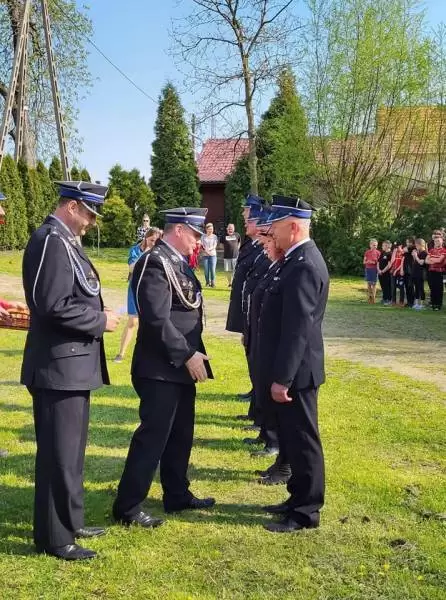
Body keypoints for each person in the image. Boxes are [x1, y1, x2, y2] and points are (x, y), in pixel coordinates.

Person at [20, 181, 120, 561]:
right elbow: (51, 305)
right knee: (57, 457)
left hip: (71, 366)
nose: (92, 222)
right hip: (57, 367)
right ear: (73, 207)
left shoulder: (64, 241)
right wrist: (100, 321)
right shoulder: (50, 240)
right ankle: (55, 537)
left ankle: (71, 520)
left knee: (72, 455)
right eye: (89, 213)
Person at [112, 207, 215, 528]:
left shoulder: (177, 262)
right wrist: (187, 354)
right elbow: (156, 318)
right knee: (152, 439)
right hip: (159, 368)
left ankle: (177, 494)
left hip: (178, 367)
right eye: (195, 234)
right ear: (179, 229)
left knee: (181, 435)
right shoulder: (154, 261)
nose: (198, 241)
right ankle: (128, 507)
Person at [256, 195, 329, 533]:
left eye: (277, 225)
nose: (272, 231)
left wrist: (282, 378)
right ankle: (296, 498)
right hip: (292, 369)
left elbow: (297, 329)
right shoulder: (295, 259)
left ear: (295, 226)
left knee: (303, 441)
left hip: (297, 373)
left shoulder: (304, 264)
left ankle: (305, 511)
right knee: (294, 438)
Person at [226, 195, 265, 402]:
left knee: (255, 349)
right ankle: (255, 387)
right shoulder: (251, 244)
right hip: (244, 304)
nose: (243, 215)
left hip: (253, 307)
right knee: (248, 346)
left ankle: (258, 389)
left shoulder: (263, 247)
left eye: (247, 213)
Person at [113, 227, 161, 363]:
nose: (153, 243)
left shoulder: (158, 251)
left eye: (156, 241)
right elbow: (131, 268)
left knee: (153, 322)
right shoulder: (135, 250)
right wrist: (145, 253)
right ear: (146, 238)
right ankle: (121, 353)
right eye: (151, 240)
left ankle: (151, 354)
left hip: (151, 289)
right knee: (133, 321)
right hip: (135, 288)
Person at [426, 233, 446, 310]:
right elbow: (426, 261)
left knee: (439, 288)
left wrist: (431, 259)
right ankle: (433, 304)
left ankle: (438, 305)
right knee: (432, 288)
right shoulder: (431, 250)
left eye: (438, 241)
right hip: (431, 272)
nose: (437, 242)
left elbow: (439, 260)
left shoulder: (444, 250)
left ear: (442, 242)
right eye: (435, 241)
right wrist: (434, 260)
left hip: (439, 272)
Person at [411, 238, 428, 310]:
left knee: (421, 288)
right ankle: (417, 303)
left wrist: (415, 256)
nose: (415, 247)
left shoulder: (424, 253)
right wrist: (414, 256)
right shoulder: (418, 253)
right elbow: (416, 262)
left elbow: (421, 262)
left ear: (421, 245)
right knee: (416, 288)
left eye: (416, 245)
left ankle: (422, 304)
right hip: (415, 273)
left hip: (421, 273)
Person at [201, 222, 219, 287]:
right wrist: (206, 251)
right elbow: (202, 245)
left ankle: (213, 282)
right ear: (206, 229)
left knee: (212, 269)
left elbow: (215, 245)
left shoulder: (215, 236)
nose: (211, 230)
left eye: (212, 229)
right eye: (209, 229)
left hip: (213, 255)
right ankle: (207, 282)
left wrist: (209, 250)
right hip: (205, 255)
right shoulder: (203, 236)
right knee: (206, 270)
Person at [363, 239, 380, 303]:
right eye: (374, 245)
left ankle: (373, 298)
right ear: (370, 245)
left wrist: (374, 262)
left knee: (374, 284)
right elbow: (364, 262)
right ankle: (369, 297)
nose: (375, 246)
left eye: (376, 245)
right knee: (369, 283)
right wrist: (368, 261)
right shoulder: (367, 252)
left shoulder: (378, 252)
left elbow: (379, 262)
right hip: (368, 269)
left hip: (375, 269)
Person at [401, 237, 416, 308]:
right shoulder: (407, 249)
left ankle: (412, 302)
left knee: (410, 286)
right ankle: (409, 302)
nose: (408, 243)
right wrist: (402, 269)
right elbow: (403, 256)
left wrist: (404, 249)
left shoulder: (413, 248)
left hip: (411, 270)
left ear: (412, 243)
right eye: (407, 242)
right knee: (406, 286)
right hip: (405, 270)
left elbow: (404, 249)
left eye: (409, 242)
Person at [377, 240, 392, 305]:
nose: (382, 247)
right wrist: (378, 270)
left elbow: (389, 265)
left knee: (387, 286)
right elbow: (378, 262)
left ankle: (389, 299)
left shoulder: (390, 254)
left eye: (383, 245)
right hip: (380, 273)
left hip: (386, 273)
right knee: (383, 286)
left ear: (387, 246)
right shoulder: (382, 253)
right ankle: (384, 298)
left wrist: (383, 271)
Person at [390, 242, 405, 306]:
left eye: (397, 247)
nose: (396, 248)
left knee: (401, 287)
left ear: (401, 246)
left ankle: (401, 301)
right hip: (393, 272)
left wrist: (396, 270)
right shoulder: (394, 253)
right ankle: (393, 301)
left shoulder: (403, 253)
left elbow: (402, 263)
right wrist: (394, 253)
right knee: (393, 286)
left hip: (399, 272)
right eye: (395, 247)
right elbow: (392, 261)